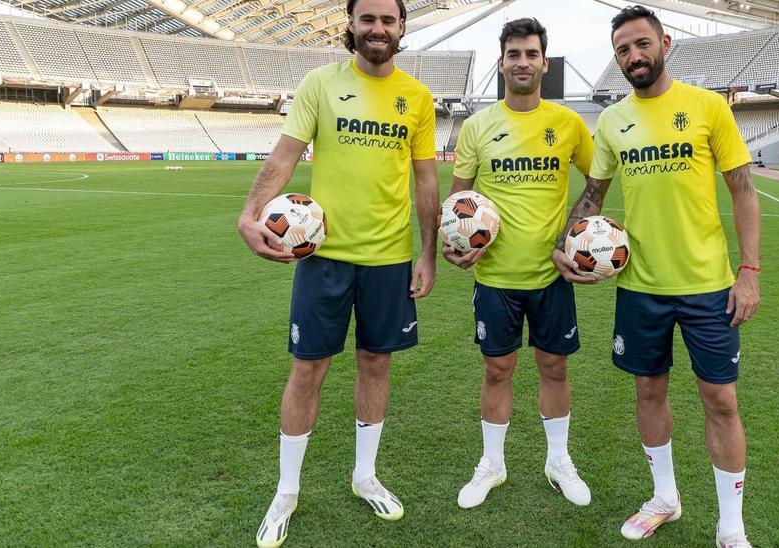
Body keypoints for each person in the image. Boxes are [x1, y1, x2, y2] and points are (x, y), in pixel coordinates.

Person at [550, 6, 761, 546]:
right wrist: (563, 246)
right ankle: (665, 497)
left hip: (708, 286)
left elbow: (743, 189)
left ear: (664, 42)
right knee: (649, 391)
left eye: (642, 45)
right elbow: (593, 195)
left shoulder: (707, 107)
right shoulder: (614, 120)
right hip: (639, 287)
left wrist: (749, 271)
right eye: (623, 49)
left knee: (721, 401)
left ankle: (730, 527)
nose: (633, 56)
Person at [236, 0, 439, 545]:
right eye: (367, 18)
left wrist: (427, 254)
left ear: (401, 28)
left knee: (376, 364)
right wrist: (250, 213)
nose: (377, 28)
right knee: (308, 370)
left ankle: (365, 475)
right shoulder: (320, 84)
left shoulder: (417, 98)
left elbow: (424, 181)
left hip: (390, 259)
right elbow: (284, 157)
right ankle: (286, 491)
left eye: (387, 20)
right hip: (321, 257)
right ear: (350, 24)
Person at [444, 17, 594, 510]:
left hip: (551, 275)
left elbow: (599, 179)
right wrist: (459, 243)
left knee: (554, 368)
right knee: (497, 369)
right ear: (502, 62)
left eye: (531, 54)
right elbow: (458, 200)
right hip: (495, 278)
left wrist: (577, 233)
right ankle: (492, 465)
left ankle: (559, 460)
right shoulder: (478, 126)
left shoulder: (568, 124)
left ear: (543, 63)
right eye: (514, 54)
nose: (523, 62)